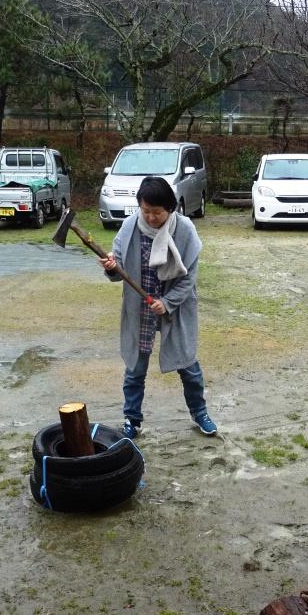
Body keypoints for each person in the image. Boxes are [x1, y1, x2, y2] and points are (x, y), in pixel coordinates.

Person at [99, 176, 217, 439]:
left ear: (170, 208)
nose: (151, 218)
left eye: (157, 212)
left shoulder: (184, 229)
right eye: (146, 211)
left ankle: (200, 414)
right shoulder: (130, 226)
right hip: (140, 307)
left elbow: (189, 277)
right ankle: (132, 419)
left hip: (174, 306)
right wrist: (111, 266)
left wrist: (168, 302)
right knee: (135, 369)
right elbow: (118, 268)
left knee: (188, 365)